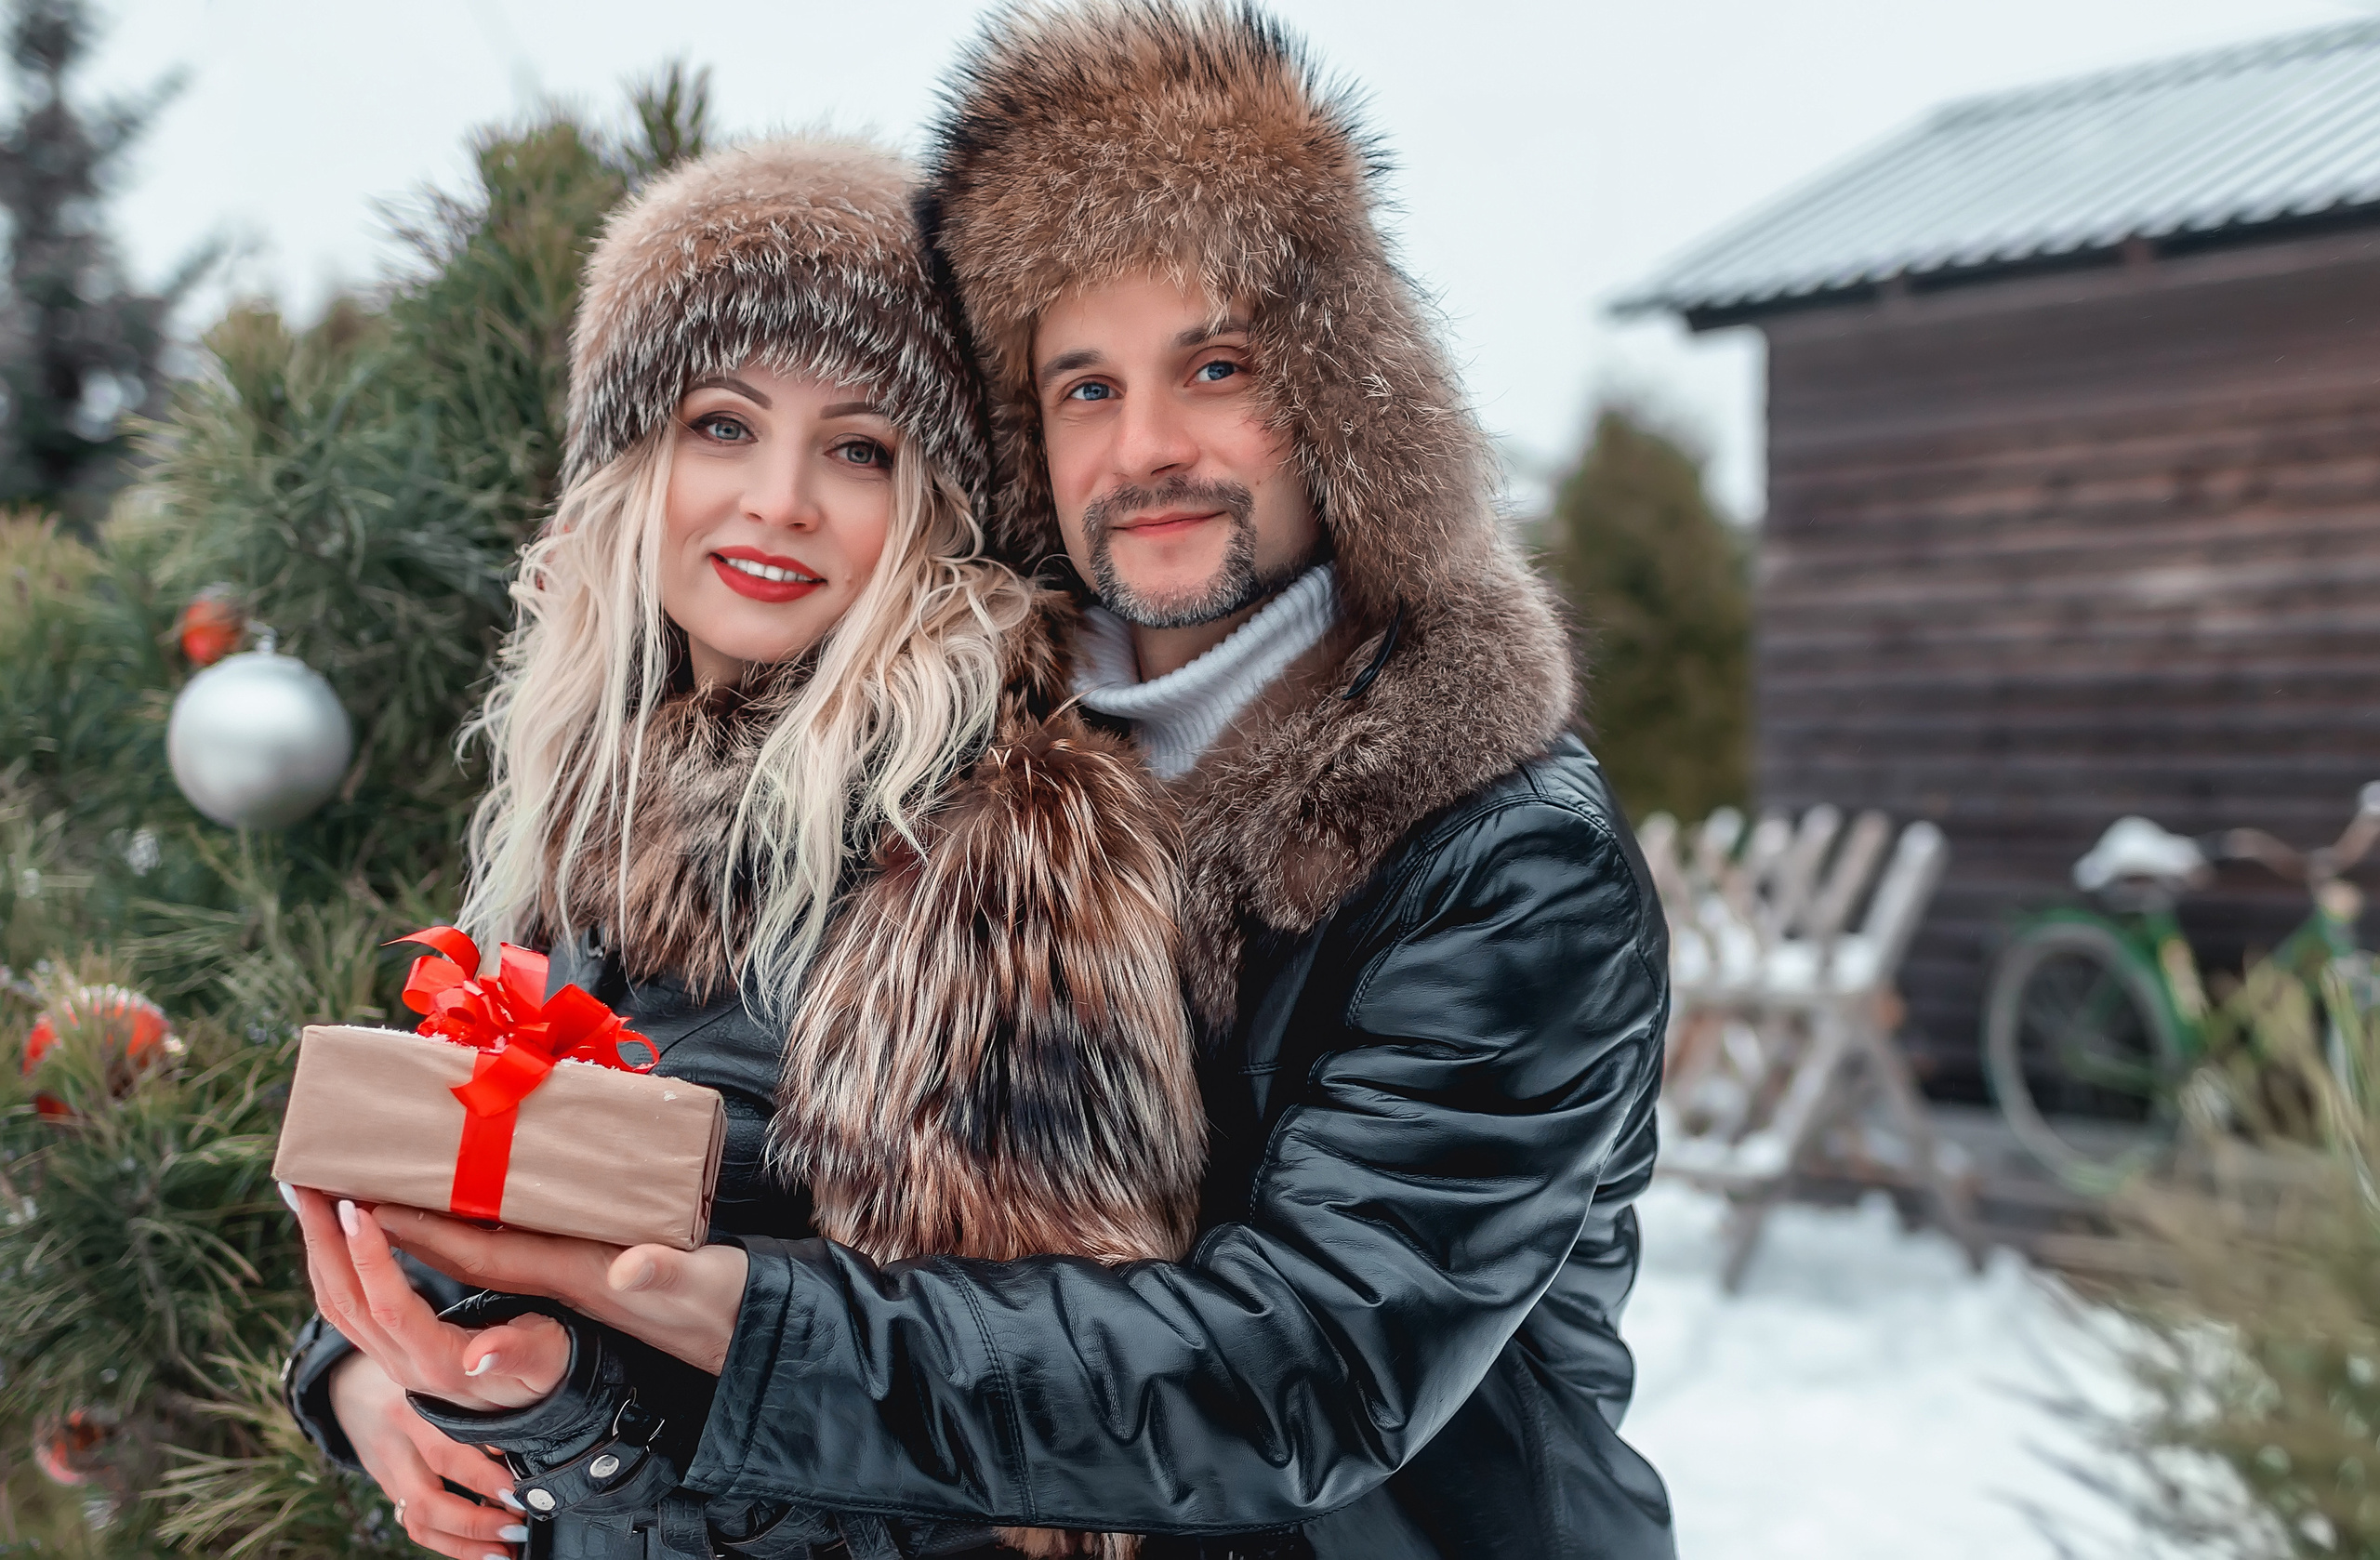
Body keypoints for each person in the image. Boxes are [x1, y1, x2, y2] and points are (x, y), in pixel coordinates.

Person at [361, 6, 1677, 1559]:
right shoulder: (950, 753)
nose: (1151, 447)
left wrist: (732, 1317)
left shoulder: (1504, 861)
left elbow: (1313, 1367)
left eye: (1218, 365)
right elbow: (561, 1160)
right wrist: (375, 1377)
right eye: (1084, 387)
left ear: (1343, 396)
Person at [278, 135, 1204, 1560]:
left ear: (932, 505)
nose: (779, 496)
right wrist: (362, 1381)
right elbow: (488, 1202)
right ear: (629, 458)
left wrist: (578, 1423)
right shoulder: (594, 795)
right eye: (723, 423)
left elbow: (1025, 1465)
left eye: (856, 446)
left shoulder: (992, 851)